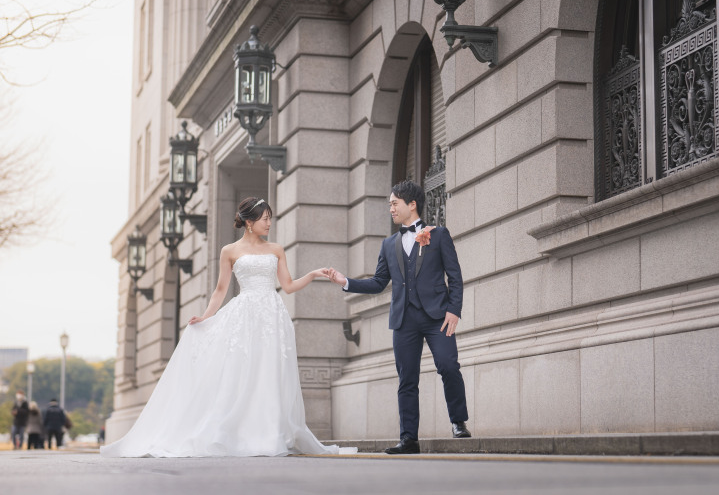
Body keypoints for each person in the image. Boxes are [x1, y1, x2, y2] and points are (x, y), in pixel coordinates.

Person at [101, 197, 356, 458]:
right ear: (249, 222)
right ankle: (239, 432)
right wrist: (205, 317)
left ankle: (269, 433)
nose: (269, 222)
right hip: (244, 316)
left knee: (269, 372)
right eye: (265, 218)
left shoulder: (276, 249)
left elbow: (288, 286)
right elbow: (220, 290)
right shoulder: (229, 251)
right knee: (242, 372)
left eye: (270, 217)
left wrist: (313, 274)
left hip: (272, 317)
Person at [326, 180, 471, 455]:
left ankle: (458, 422)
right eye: (390, 204)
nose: (390, 208)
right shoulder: (388, 244)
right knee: (407, 379)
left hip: (437, 316)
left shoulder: (438, 235)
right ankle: (408, 439)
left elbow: (455, 276)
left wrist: (454, 310)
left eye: (394, 203)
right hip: (404, 320)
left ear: (411, 204)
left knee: (449, 366)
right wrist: (347, 281)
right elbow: (379, 282)